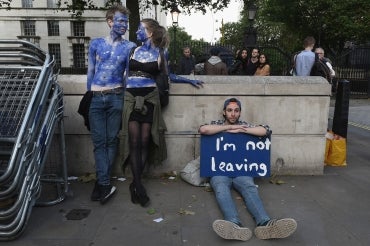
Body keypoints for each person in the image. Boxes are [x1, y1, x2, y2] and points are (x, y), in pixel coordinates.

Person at [116, 18, 203, 208]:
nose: (136, 31)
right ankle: (138, 186)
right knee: (134, 142)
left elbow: (168, 75)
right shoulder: (133, 50)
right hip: (131, 97)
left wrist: (188, 80)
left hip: (150, 98)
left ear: (150, 33)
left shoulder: (161, 53)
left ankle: (135, 185)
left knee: (146, 140)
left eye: (140, 29)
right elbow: (124, 76)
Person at [199, 98, 297, 241]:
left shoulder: (245, 125)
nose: (233, 114)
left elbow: (266, 130)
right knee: (220, 187)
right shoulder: (216, 124)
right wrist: (228, 128)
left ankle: (265, 223)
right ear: (224, 112)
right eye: (230, 110)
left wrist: (242, 129)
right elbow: (203, 129)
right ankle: (233, 224)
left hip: (241, 171)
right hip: (220, 171)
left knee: (249, 187)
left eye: (236, 111)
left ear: (239, 113)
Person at [87, 4, 136, 205]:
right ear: (110, 21)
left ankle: (102, 184)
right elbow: (90, 71)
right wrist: (88, 94)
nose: (124, 25)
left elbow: (128, 75)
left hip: (116, 95)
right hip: (96, 97)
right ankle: (104, 183)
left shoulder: (129, 46)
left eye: (126, 22)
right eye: (120, 21)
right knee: (99, 142)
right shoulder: (96, 43)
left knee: (111, 141)